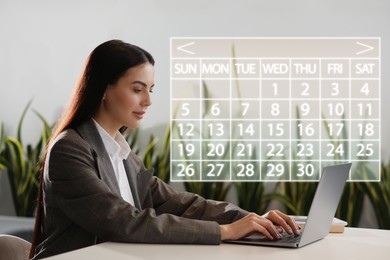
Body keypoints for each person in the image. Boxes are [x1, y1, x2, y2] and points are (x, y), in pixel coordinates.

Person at [29, 39, 300, 259]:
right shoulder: (69, 149)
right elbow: (123, 222)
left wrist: (252, 220)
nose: (147, 100)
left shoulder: (121, 153)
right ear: (103, 89)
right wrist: (225, 231)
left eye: (150, 89)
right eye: (137, 89)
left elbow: (181, 204)